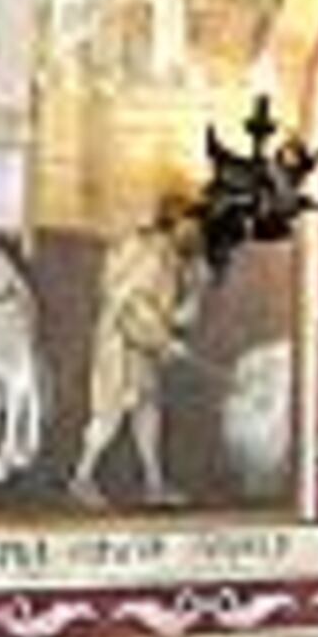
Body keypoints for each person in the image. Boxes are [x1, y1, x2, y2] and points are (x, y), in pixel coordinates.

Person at [73, 196, 201, 506]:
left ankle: (154, 484)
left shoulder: (169, 256)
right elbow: (132, 306)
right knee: (110, 414)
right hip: (121, 346)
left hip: (140, 348)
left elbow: (165, 309)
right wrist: (165, 342)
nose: (196, 231)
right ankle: (82, 478)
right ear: (176, 222)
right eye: (192, 223)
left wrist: (191, 298)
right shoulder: (151, 254)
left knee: (148, 412)